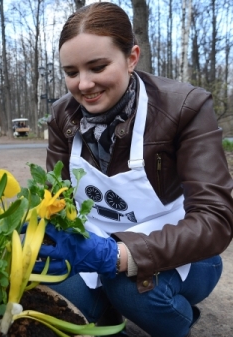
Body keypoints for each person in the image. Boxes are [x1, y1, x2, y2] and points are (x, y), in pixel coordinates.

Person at [39, 2, 233, 337]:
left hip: (186, 253)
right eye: (71, 72)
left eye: (97, 67)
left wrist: (120, 256)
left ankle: (179, 319)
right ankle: (110, 310)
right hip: (95, 245)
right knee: (54, 292)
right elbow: (56, 198)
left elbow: (215, 219)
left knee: (129, 286)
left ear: (131, 58)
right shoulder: (62, 116)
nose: (83, 85)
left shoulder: (185, 107)